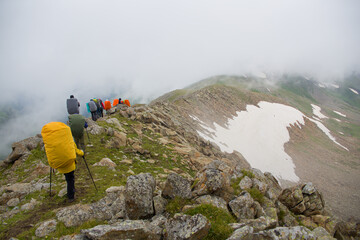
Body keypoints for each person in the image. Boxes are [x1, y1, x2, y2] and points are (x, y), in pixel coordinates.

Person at [41, 122, 84, 202]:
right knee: (70, 179)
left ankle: (70, 191)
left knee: (68, 178)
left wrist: (51, 163)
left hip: (59, 163)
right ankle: (71, 196)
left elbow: (49, 151)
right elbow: (74, 149)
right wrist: (82, 153)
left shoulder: (52, 142)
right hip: (70, 162)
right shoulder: (67, 139)